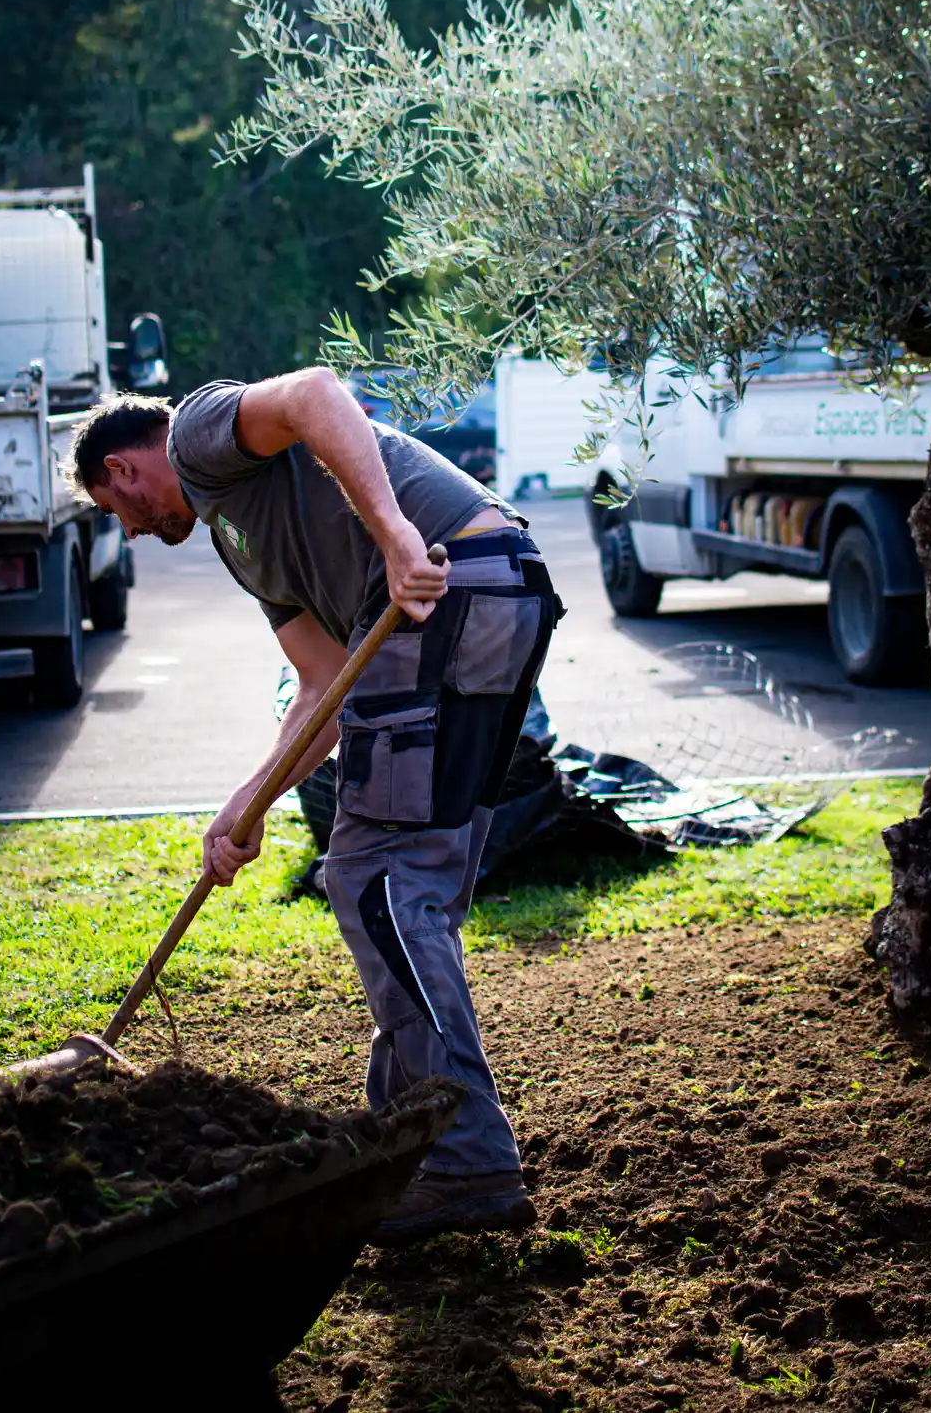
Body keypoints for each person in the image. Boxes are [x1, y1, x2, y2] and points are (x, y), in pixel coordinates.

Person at [67, 368, 562, 1245]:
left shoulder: (199, 437)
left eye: (116, 513)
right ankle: (405, 1138)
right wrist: (246, 805)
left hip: (448, 581)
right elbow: (322, 688)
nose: (132, 530)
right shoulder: (239, 536)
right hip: (492, 592)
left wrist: (397, 536)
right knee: (409, 892)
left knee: (377, 884)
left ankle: (466, 1159)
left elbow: (317, 393)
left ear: (122, 470)